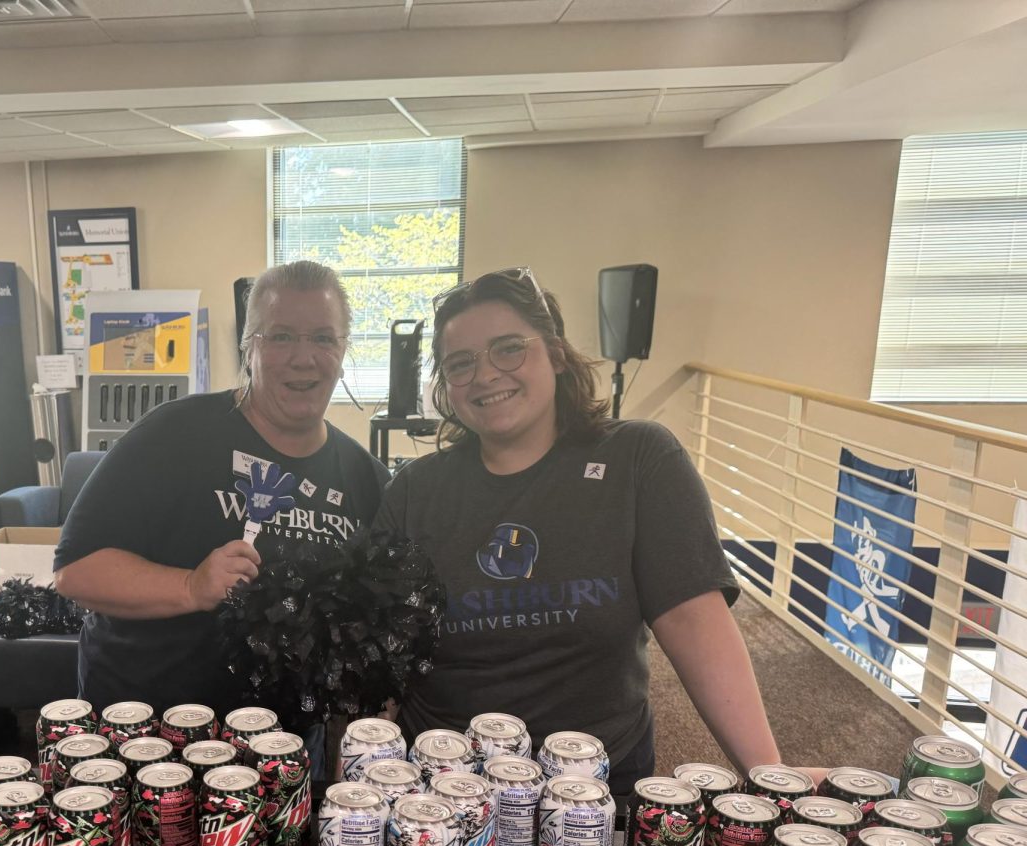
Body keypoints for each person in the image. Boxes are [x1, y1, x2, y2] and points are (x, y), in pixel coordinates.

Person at [374, 266, 789, 797]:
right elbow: (382, 651)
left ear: (555, 352)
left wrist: (769, 777)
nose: (485, 375)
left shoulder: (639, 459)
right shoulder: (414, 489)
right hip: (444, 787)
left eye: (508, 348)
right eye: (460, 363)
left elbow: (692, 619)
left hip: (595, 785)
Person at [54, 260, 390, 724]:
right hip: (150, 733)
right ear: (248, 347)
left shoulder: (366, 479)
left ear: (343, 349)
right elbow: (77, 572)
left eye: (322, 338)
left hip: (283, 745)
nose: (303, 357)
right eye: (281, 336)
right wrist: (191, 586)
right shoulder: (173, 434)